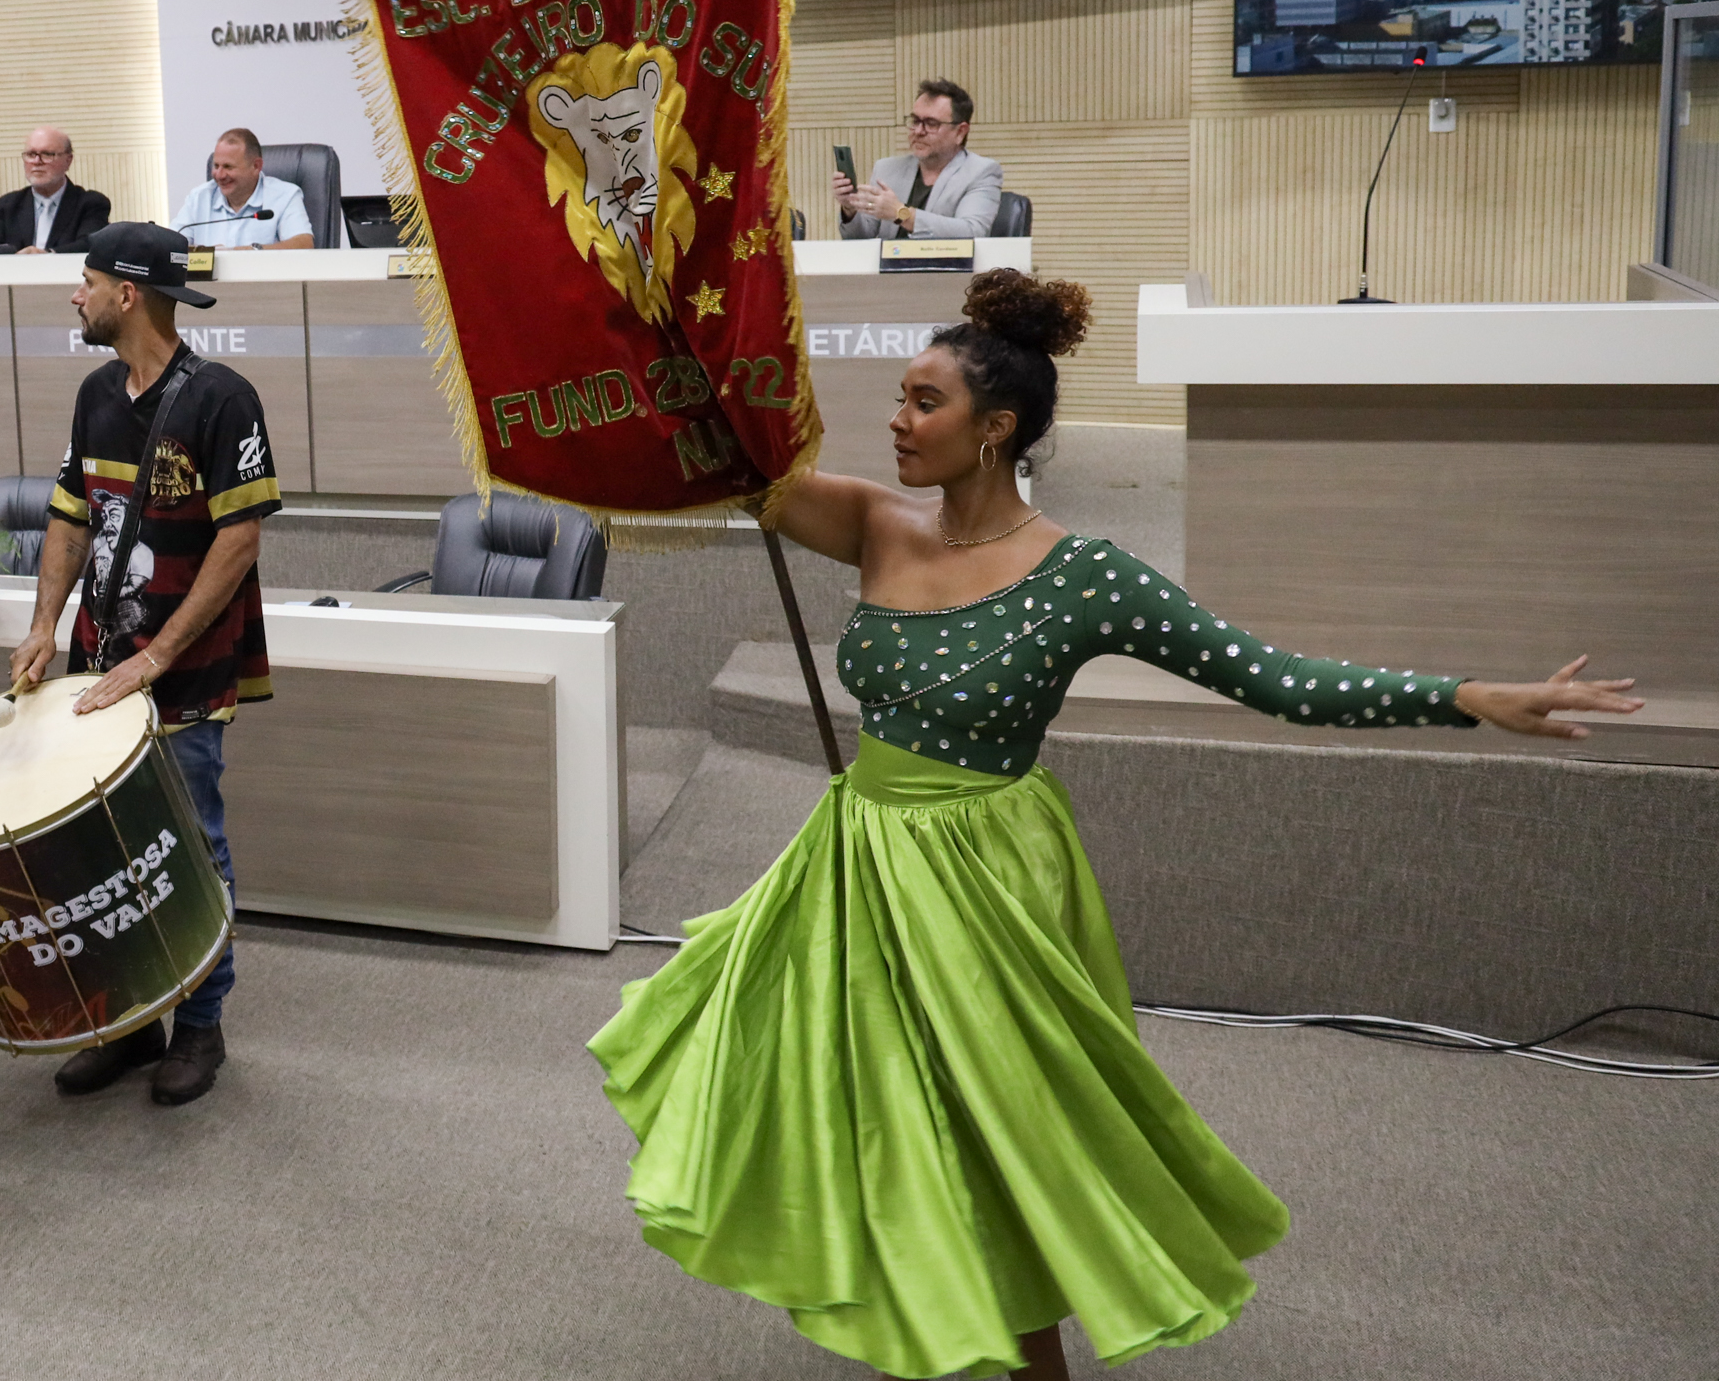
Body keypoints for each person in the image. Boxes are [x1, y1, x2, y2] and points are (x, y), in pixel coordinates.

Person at [587, 271, 1643, 1381]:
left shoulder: (1081, 576)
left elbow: (1273, 678)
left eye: (924, 402)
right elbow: (721, 459)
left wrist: (1470, 696)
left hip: (984, 872)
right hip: (858, 854)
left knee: (1002, 1118)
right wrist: (659, 305)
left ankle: (1029, 1348)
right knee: (863, 1095)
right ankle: (928, 1311)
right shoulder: (871, 521)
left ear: (996, 430)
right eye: (899, 397)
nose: (897, 421)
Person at [7, 223, 283, 1106]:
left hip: (186, 676)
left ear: (126, 294)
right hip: (96, 670)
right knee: (102, 855)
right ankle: (130, 1025)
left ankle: (201, 1030)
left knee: (191, 849)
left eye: (83, 282)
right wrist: (45, 625)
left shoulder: (224, 399)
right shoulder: (93, 394)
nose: (73, 296)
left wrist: (159, 657)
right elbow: (68, 516)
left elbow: (237, 541)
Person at [833, 79, 1002, 242]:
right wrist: (850, 209)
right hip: (889, 269)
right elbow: (860, 239)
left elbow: (972, 232)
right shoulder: (887, 169)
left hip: (944, 270)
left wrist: (902, 214)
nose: (919, 131)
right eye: (915, 121)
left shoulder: (981, 171)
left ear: (960, 132)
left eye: (931, 123)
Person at [0, 127, 112, 254]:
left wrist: (47, 255)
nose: (36, 161)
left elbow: (90, 245)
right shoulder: (9, 205)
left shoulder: (90, 203)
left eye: (47, 154)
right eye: (31, 154)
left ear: (68, 161)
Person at [171, 130, 313, 250]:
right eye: (216, 166)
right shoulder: (199, 197)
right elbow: (169, 245)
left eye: (228, 167)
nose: (219, 175)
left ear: (256, 166)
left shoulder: (285, 195)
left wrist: (252, 251)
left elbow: (304, 244)